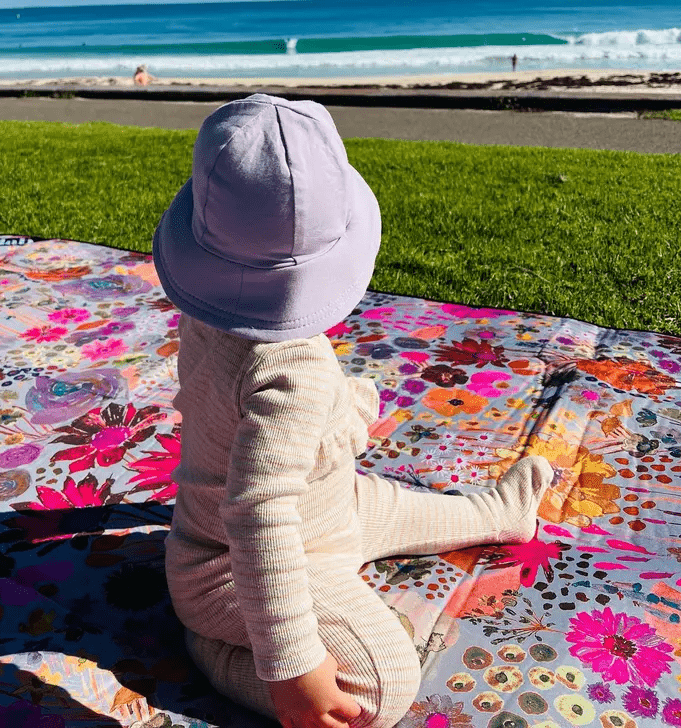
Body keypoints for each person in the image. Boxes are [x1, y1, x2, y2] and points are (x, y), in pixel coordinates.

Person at [152, 94, 554, 728]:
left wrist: (338, 414)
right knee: (382, 688)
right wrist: (292, 669)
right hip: (233, 567)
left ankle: (491, 513)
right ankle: (221, 652)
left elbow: (238, 414)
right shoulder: (294, 374)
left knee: (393, 504)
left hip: (335, 506)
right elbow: (261, 521)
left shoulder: (211, 311)